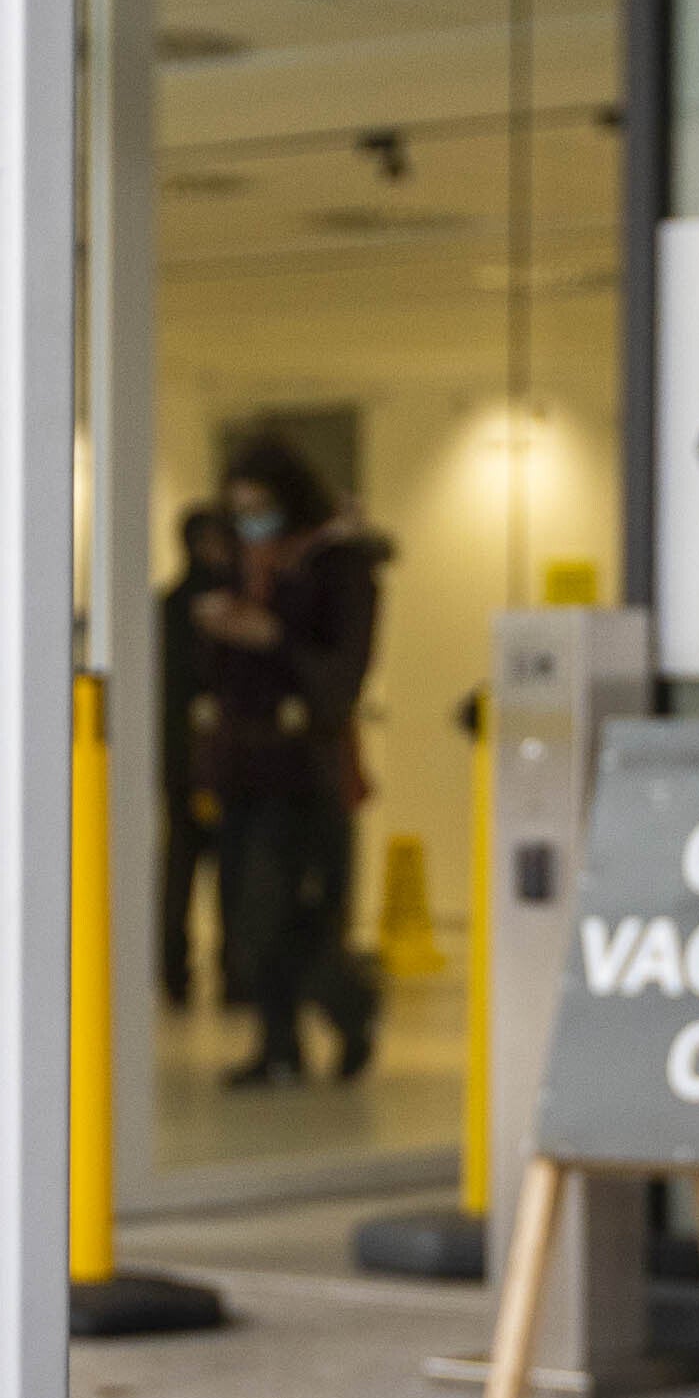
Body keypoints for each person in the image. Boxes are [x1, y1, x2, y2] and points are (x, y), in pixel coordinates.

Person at [186, 437, 388, 1087]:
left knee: (295, 917)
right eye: (241, 510)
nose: (253, 524)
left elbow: (341, 675)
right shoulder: (240, 565)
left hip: (306, 769)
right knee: (247, 915)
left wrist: (271, 637)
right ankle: (278, 1047)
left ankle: (352, 1011)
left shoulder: (337, 568)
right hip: (243, 766)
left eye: (263, 508)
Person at [153, 503, 233, 1011]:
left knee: (197, 869)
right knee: (200, 869)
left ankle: (191, 973)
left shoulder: (171, 605)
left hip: (200, 759)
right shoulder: (194, 607)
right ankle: (199, 973)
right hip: (201, 760)